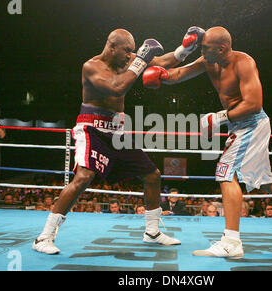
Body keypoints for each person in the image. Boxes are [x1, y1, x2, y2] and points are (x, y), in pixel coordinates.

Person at [143, 26, 272, 258]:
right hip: (238, 125)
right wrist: (163, 75)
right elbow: (179, 74)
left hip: (252, 123)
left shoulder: (243, 63)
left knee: (225, 172)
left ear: (222, 48)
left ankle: (231, 242)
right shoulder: (208, 59)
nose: (202, 51)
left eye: (205, 48)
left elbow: (254, 104)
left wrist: (216, 118)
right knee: (266, 180)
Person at [32, 27, 204, 254]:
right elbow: (116, 87)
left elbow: (162, 60)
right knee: (83, 177)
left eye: (132, 52)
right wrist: (141, 59)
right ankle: (44, 237)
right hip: (92, 128)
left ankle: (152, 233)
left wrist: (186, 48)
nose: (129, 55)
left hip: (117, 132)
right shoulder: (91, 66)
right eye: (126, 51)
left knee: (152, 175)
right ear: (111, 46)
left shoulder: (129, 59)